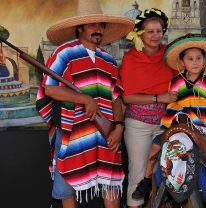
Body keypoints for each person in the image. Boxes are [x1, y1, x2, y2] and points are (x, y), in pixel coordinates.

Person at [35, 0, 134, 207]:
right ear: (80, 27)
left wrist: (118, 126)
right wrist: (85, 99)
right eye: (92, 25)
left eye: (100, 25)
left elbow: (116, 97)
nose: (97, 30)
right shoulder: (64, 53)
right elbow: (50, 88)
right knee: (67, 184)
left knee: (111, 181)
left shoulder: (108, 60)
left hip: (106, 131)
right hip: (74, 128)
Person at [131, 34, 206, 206]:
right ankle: (147, 180)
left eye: (199, 58)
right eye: (190, 59)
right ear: (182, 61)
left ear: (204, 60)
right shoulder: (177, 81)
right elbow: (174, 104)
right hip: (182, 124)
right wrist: (180, 114)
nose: (195, 62)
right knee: (156, 144)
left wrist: (202, 119)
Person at [119, 8, 177, 208]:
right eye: (150, 31)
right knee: (138, 173)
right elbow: (127, 97)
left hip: (166, 124)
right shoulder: (131, 59)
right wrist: (159, 97)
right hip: (139, 126)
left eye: (159, 31)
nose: (155, 35)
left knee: (168, 172)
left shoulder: (170, 55)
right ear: (140, 34)